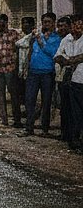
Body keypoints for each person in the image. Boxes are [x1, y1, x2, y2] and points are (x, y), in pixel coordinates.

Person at [19, 11, 60, 138]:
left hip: (47, 73)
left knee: (46, 102)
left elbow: (52, 53)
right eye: (44, 22)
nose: (45, 24)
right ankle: (29, 127)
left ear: (53, 23)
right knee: (29, 100)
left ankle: (45, 128)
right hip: (33, 72)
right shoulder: (36, 36)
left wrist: (41, 41)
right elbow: (27, 47)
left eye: (48, 22)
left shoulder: (57, 38)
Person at [54, 13, 83, 144]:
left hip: (78, 78)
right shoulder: (67, 39)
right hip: (72, 80)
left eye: (80, 24)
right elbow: (58, 57)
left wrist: (69, 59)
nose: (77, 27)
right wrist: (71, 60)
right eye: (75, 24)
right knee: (70, 109)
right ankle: (72, 137)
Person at [0, 14, 20, 128]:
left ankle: (17, 119)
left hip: (10, 68)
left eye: (2, 23)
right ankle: (4, 119)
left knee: (14, 94)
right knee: (0, 95)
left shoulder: (14, 34)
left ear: (6, 22)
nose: (0, 25)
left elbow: (18, 50)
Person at [13, 16, 35, 127]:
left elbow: (21, 44)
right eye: (23, 23)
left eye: (27, 23)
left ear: (32, 25)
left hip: (31, 71)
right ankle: (20, 120)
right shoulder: (21, 37)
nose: (25, 25)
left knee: (29, 97)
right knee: (20, 95)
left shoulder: (33, 37)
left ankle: (29, 121)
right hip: (20, 70)